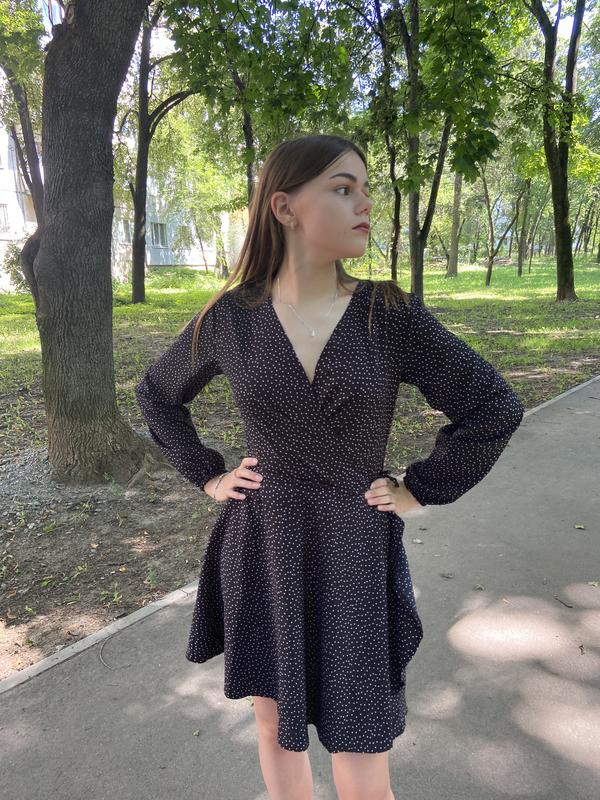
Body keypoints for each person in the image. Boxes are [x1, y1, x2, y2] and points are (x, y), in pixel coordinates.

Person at [135, 134, 525, 800]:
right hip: (264, 543)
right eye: (344, 189)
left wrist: (420, 489)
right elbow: (157, 395)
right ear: (285, 207)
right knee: (273, 722)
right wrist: (209, 474)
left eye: (367, 190)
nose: (366, 204)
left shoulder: (389, 315)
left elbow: (493, 406)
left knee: (360, 739)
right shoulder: (231, 318)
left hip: (354, 546)